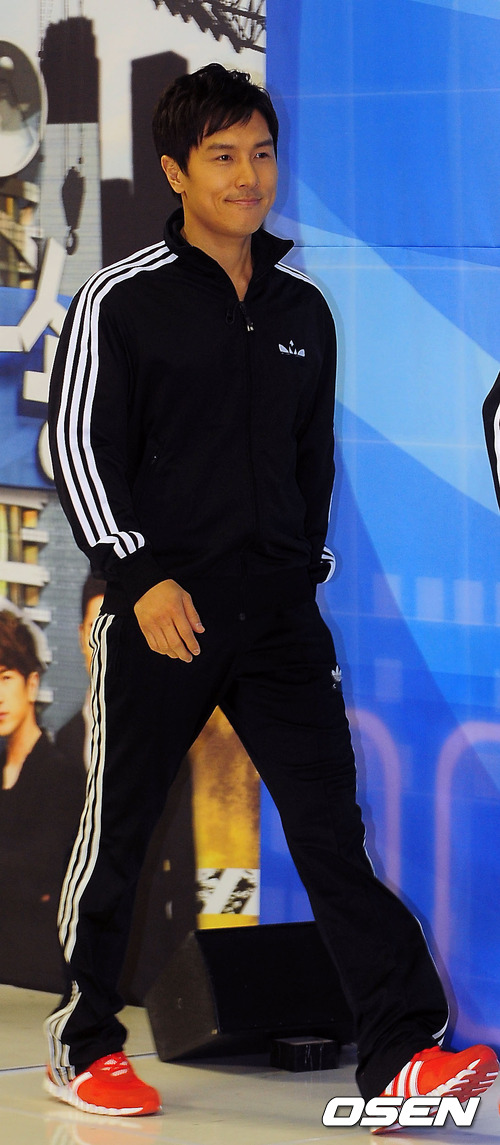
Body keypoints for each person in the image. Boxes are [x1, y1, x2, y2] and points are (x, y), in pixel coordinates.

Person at [45, 64, 498, 1122]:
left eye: (260, 153)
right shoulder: (122, 298)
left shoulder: (302, 308)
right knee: (120, 829)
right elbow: (75, 447)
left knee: (333, 833)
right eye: (222, 157)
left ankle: (399, 1053)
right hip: (161, 613)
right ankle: (83, 1042)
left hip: (280, 619)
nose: (248, 176)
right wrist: (138, 576)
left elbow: (308, 464)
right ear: (175, 172)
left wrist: (300, 574)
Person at [0, 605, 84, 991]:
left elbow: (39, 873)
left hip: (37, 971)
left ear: (32, 683)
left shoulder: (60, 773)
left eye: (6, 678)